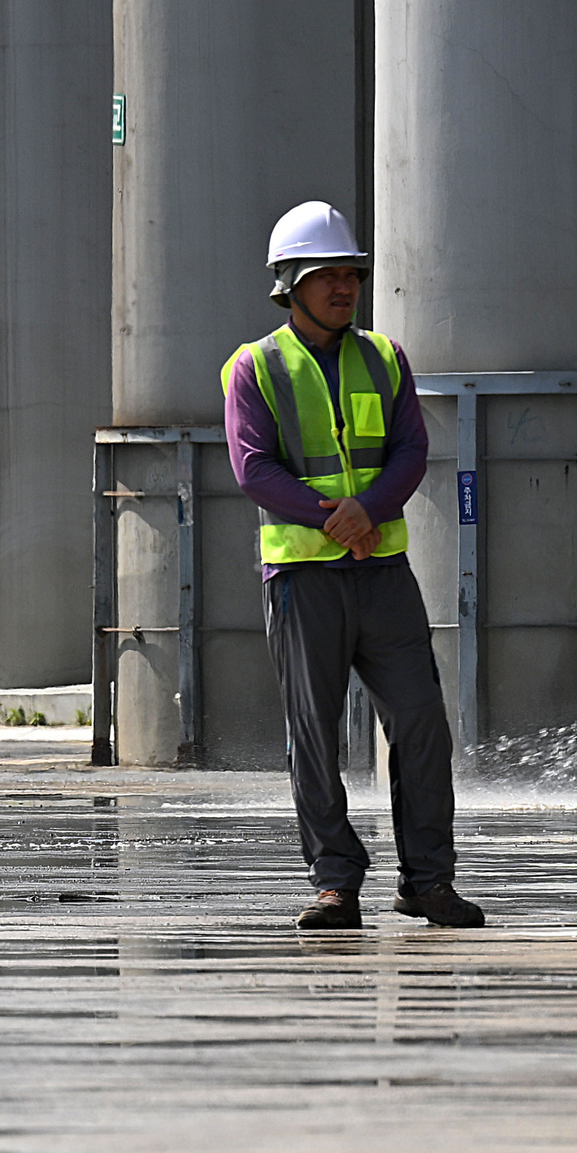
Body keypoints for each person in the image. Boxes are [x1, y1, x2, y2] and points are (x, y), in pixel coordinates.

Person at [226, 202, 483, 929]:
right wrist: (335, 517)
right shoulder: (256, 367)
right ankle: (335, 881)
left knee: (422, 722)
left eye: (351, 274)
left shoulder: (385, 357)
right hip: (304, 576)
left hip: (382, 572)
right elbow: (253, 468)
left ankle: (428, 881)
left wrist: (367, 509)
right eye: (326, 276)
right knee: (314, 729)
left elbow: (410, 451)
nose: (344, 287)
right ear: (290, 285)